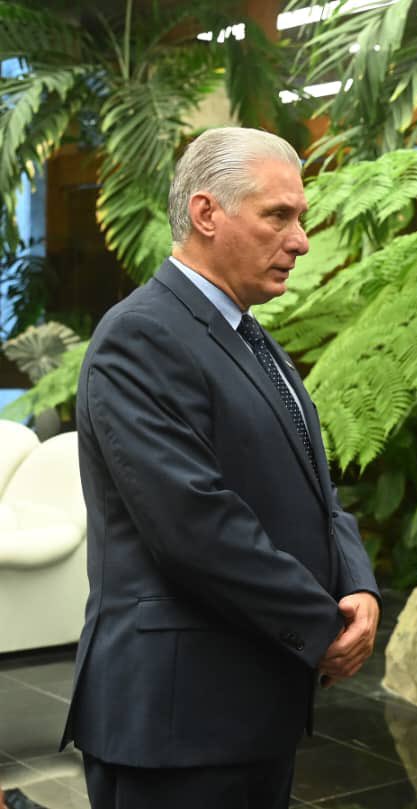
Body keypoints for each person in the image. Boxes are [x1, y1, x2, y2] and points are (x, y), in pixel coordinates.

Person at [60, 127, 381, 809]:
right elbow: (195, 523)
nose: (300, 240)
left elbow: (316, 486)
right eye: (279, 215)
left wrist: (357, 584)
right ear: (207, 214)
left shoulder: (252, 338)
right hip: (177, 723)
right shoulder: (141, 335)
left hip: (249, 711)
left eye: (301, 218)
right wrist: (321, 628)